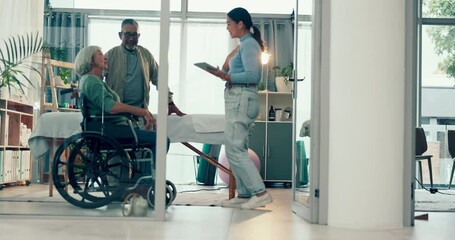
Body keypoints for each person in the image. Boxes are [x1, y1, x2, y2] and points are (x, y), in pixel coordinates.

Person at [208, 7, 273, 210]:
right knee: (235, 147)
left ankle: (260, 193)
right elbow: (228, 67)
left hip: (243, 98)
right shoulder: (243, 45)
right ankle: (244, 194)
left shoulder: (250, 45)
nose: (227, 27)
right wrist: (226, 70)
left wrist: (227, 77)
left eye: (229, 23)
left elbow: (254, 77)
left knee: (235, 149)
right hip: (237, 98)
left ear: (240, 24)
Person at [74, 45, 169, 179]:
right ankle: (145, 181)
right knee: (160, 140)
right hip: (109, 129)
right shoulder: (91, 81)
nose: (105, 57)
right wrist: (141, 111)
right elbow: (110, 107)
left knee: (153, 138)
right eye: (100, 55)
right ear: (91, 61)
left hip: (110, 127)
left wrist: (138, 113)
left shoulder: (94, 80)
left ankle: (142, 179)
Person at [104, 18, 185, 130]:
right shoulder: (110, 56)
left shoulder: (146, 55)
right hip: (117, 117)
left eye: (135, 35)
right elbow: (96, 79)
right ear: (120, 35)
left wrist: (170, 102)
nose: (131, 39)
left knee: (151, 142)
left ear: (139, 36)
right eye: (127, 35)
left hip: (141, 115)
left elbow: (160, 80)